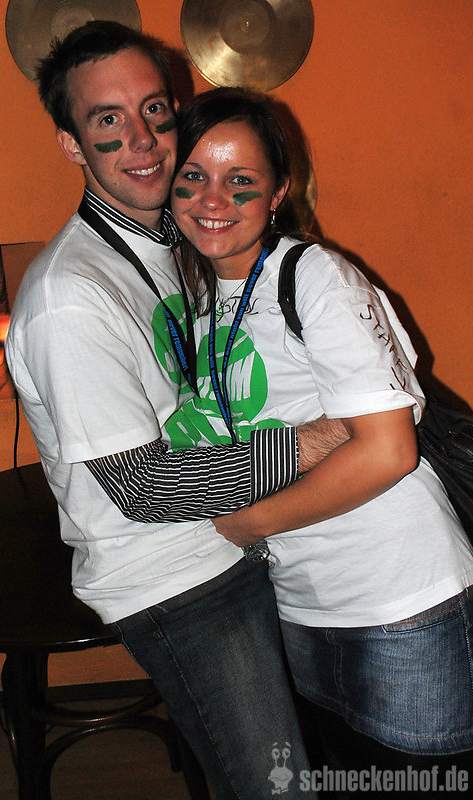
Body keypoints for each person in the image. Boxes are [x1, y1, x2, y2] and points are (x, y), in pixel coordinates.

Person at [4, 21, 352, 800]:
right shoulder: (70, 298)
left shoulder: (179, 233)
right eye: (108, 119)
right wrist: (318, 442)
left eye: (154, 109)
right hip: (178, 579)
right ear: (71, 144)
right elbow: (143, 487)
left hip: (242, 532)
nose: (142, 139)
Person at [168, 86, 473, 795]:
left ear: (278, 192)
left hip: (401, 600)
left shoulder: (314, 277)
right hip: (303, 602)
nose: (214, 199)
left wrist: (248, 524)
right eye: (194, 176)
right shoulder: (202, 302)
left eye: (241, 180)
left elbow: (389, 450)